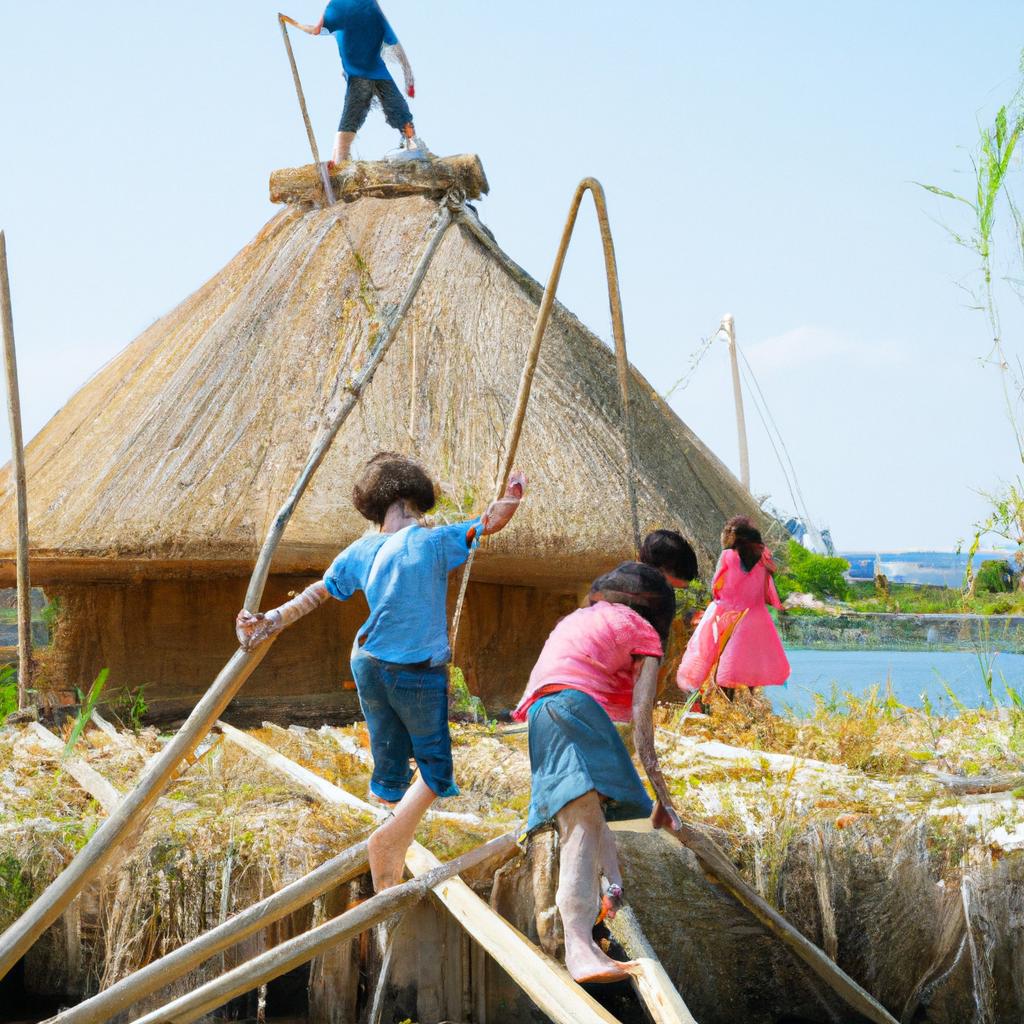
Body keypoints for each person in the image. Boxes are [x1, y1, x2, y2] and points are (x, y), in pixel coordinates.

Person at [236, 453, 526, 891]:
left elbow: (318, 593)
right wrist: (513, 497)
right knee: (435, 768)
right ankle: (389, 842)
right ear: (413, 499)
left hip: (367, 663)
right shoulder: (434, 541)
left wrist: (270, 618)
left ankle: (379, 853)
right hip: (414, 669)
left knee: (389, 763)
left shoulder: (362, 549)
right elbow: (490, 522)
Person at [511, 562, 682, 984]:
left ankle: (604, 903)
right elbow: (642, 722)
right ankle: (579, 948)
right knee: (582, 826)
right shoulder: (640, 632)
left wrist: (614, 881)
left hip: (542, 711)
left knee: (588, 815)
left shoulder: (580, 619)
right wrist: (664, 799)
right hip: (572, 707)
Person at [287, 1, 428, 166]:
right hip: (376, 76)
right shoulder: (367, 7)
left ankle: (339, 159)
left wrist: (294, 23)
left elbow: (315, 29)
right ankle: (411, 144)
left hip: (366, 76)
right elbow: (396, 46)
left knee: (353, 119)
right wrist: (408, 75)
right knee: (398, 112)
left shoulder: (343, 6)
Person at [676, 515, 789, 699]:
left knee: (724, 661)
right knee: (751, 664)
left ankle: (727, 703)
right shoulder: (763, 558)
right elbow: (768, 588)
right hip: (757, 617)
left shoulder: (728, 555)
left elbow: (716, 585)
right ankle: (751, 702)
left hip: (731, 614)